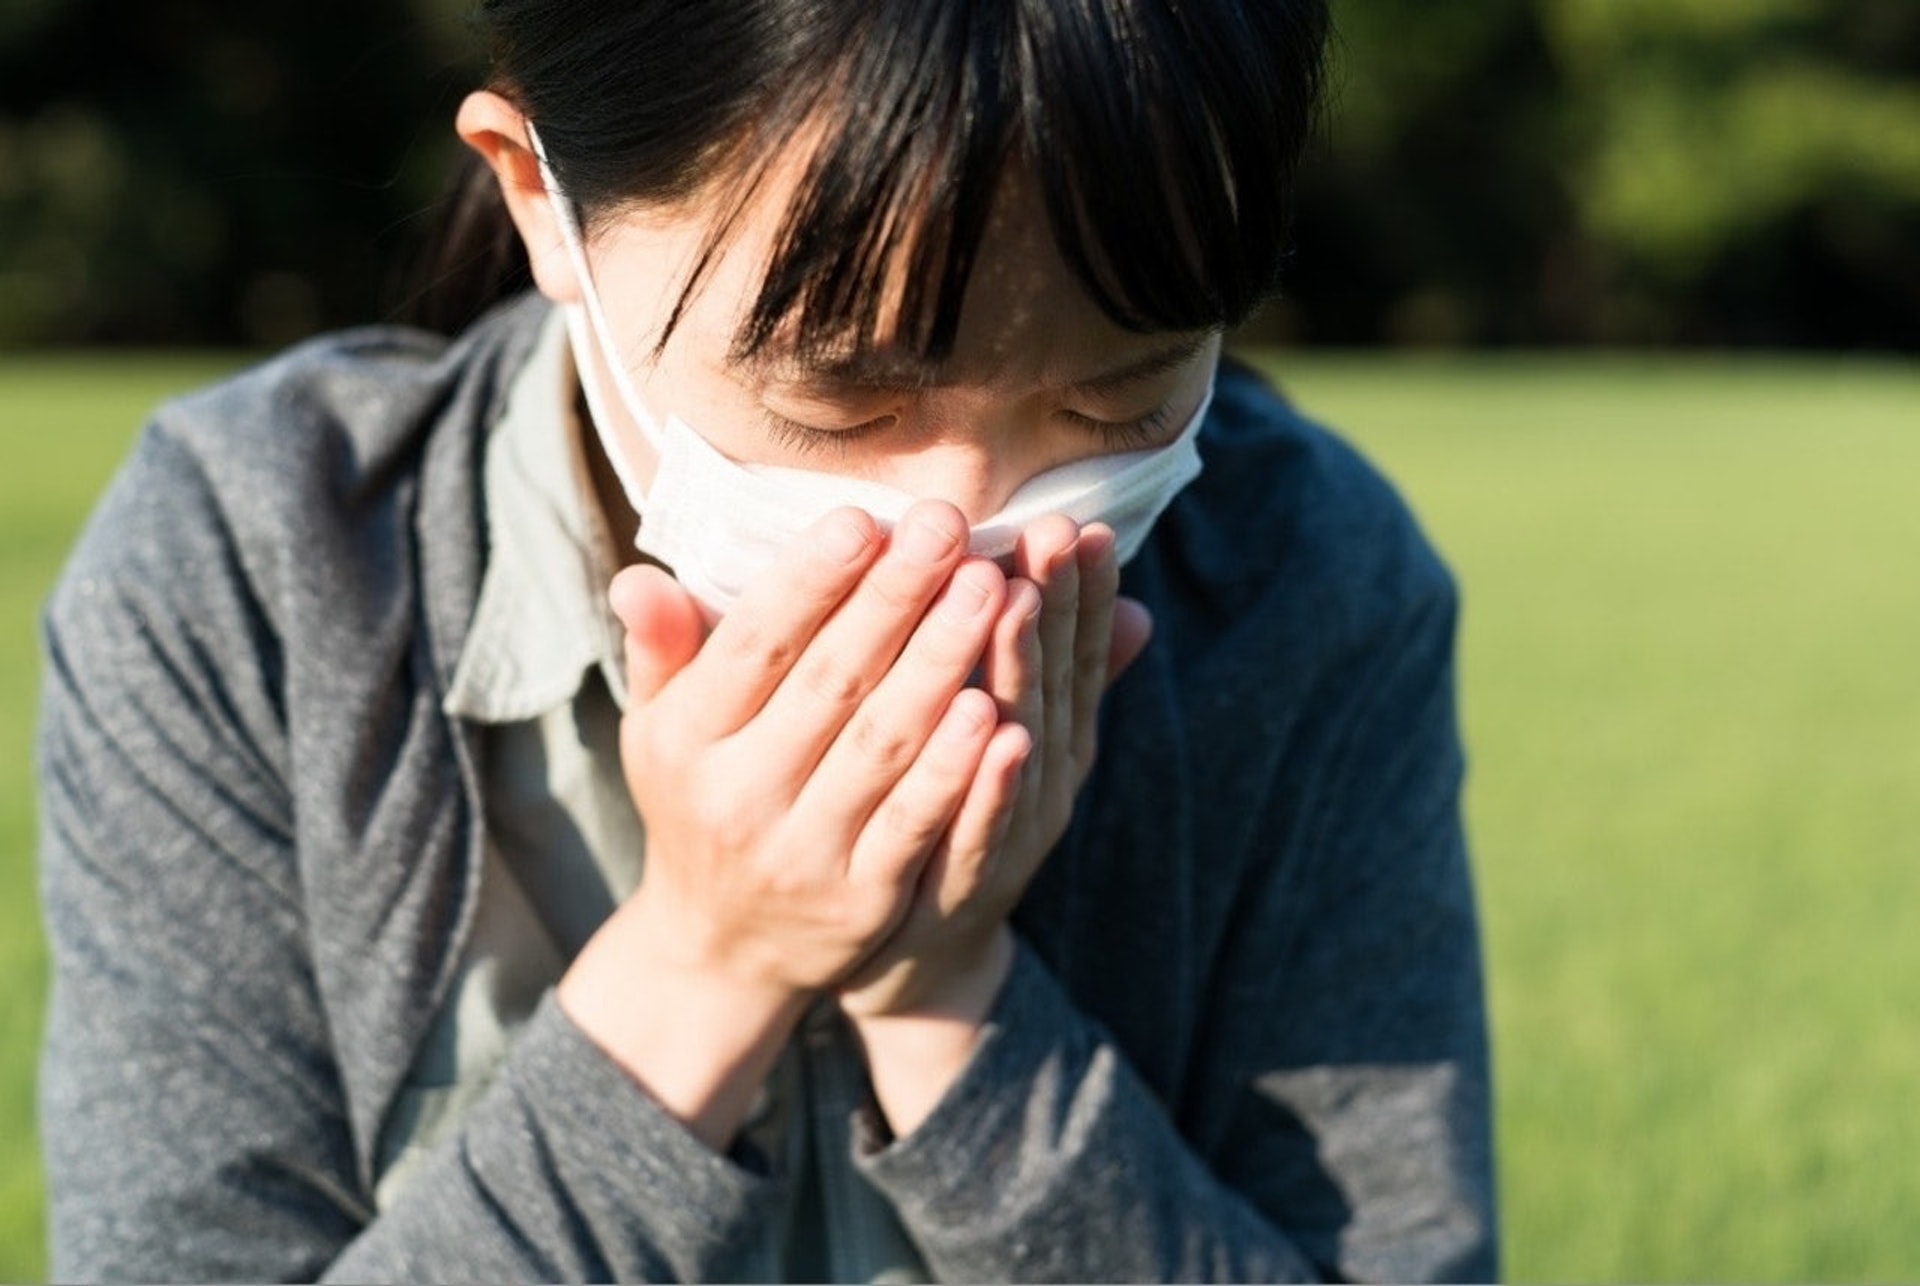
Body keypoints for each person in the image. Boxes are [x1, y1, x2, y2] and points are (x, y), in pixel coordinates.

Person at [36, 1, 1497, 1280]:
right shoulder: (255, 579)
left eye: (1113, 403)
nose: (962, 538)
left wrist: (947, 1001)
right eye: (840, 406)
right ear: (542, 196)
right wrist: (710, 957)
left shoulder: (1313, 586)